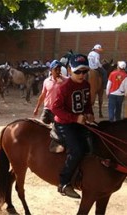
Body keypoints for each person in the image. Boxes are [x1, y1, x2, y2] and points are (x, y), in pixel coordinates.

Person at [52, 54, 95, 199]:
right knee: (76, 149)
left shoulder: (86, 85)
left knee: (95, 143)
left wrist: (89, 113)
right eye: (78, 71)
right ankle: (63, 183)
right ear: (70, 70)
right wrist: (75, 118)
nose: (82, 75)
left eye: (85, 71)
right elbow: (55, 109)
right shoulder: (64, 87)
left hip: (80, 121)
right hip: (64, 124)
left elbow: (87, 104)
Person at [33, 60, 67, 124]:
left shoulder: (65, 80)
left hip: (59, 110)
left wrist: (61, 84)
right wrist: (37, 108)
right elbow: (43, 95)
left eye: (59, 70)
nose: (58, 72)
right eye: (55, 70)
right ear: (51, 70)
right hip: (47, 109)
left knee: (57, 130)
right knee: (41, 127)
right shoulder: (46, 81)